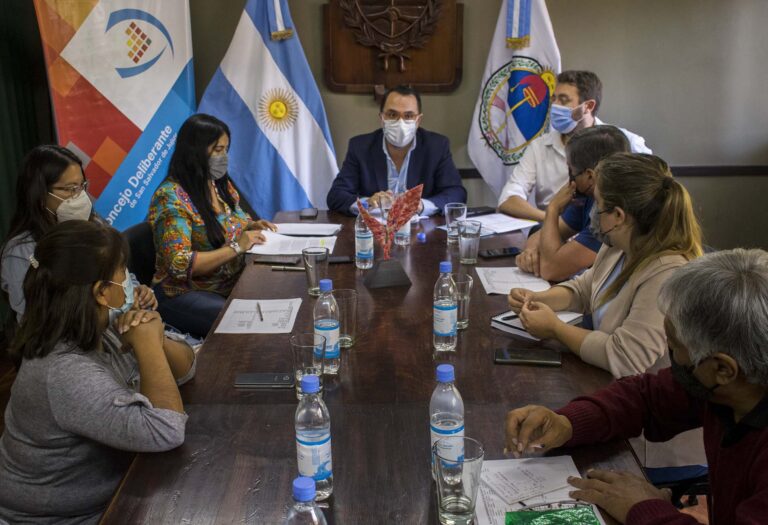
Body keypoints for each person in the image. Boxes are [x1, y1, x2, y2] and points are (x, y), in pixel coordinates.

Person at [505, 249, 768, 525]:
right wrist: (567, 422)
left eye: (674, 346)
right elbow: (646, 398)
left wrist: (644, 508)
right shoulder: (727, 389)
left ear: (723, 369)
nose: (669, 354)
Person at [508, 152, 705, 474]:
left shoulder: (667, 272)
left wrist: (555, 328)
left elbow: (626, 357)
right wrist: (538, 298)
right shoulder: (618, 247)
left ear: (618, 215)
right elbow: (586, 289)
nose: (592, 213)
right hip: (609, 397)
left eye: (597, 205)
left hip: (647, 440)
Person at [0, 220, 195, 524]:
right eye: (122, 271)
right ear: (102, 292)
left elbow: (186, 370)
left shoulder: (95, 327)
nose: (128, 280)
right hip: (61, 518)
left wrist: (154, 335)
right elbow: (166, 431)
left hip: (115, 491)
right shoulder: (64, 371)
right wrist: (148, 347)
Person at [149, 114, 275, 338]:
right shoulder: (170, 197)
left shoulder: (218, 184)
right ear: (194, 151)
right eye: (217, 150)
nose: (223, 157)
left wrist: (251, 226)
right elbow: (178, 263)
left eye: (226, 149)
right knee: (247, 323)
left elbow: (235, 221)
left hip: (228, 283)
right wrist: (237, 247)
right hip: (183, 292)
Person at [1, 145, 157, 322]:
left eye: (82, 186)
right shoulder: (21, 253)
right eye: (70, 188)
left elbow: (120, 271)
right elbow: (37, 319)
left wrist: (136, 291)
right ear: (40, 193)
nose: (80, 196)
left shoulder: (94, 224)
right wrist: (115, 308)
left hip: (118, 326)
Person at [497, 70, 651, 222]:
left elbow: (653, 192)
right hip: (549, 229)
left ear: (588, 106)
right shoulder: (539, 147)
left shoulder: (627, 142)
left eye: (564, 100)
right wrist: (554, 220)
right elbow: (507, 200)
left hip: (606, 232)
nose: (554, 106)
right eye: (553, 99)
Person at [326, 85, 466, 215]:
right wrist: (368, 203)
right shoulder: (360, 147)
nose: (400, 122)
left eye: (408, 116)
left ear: (418, 121)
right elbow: (336, 196)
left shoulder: (436, 146)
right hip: (375, 229)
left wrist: (421, 205)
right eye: (392, 115)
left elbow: (456, 193)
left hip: (421, 229)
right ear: (382, 118)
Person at [516, 125, 630, 281]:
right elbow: (538, 238)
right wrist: (530, 253)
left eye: (571, 171)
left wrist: (553, 208)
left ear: (590, 176)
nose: (570, 179)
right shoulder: (588, 197)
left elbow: (551, 269)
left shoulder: (609, 214)